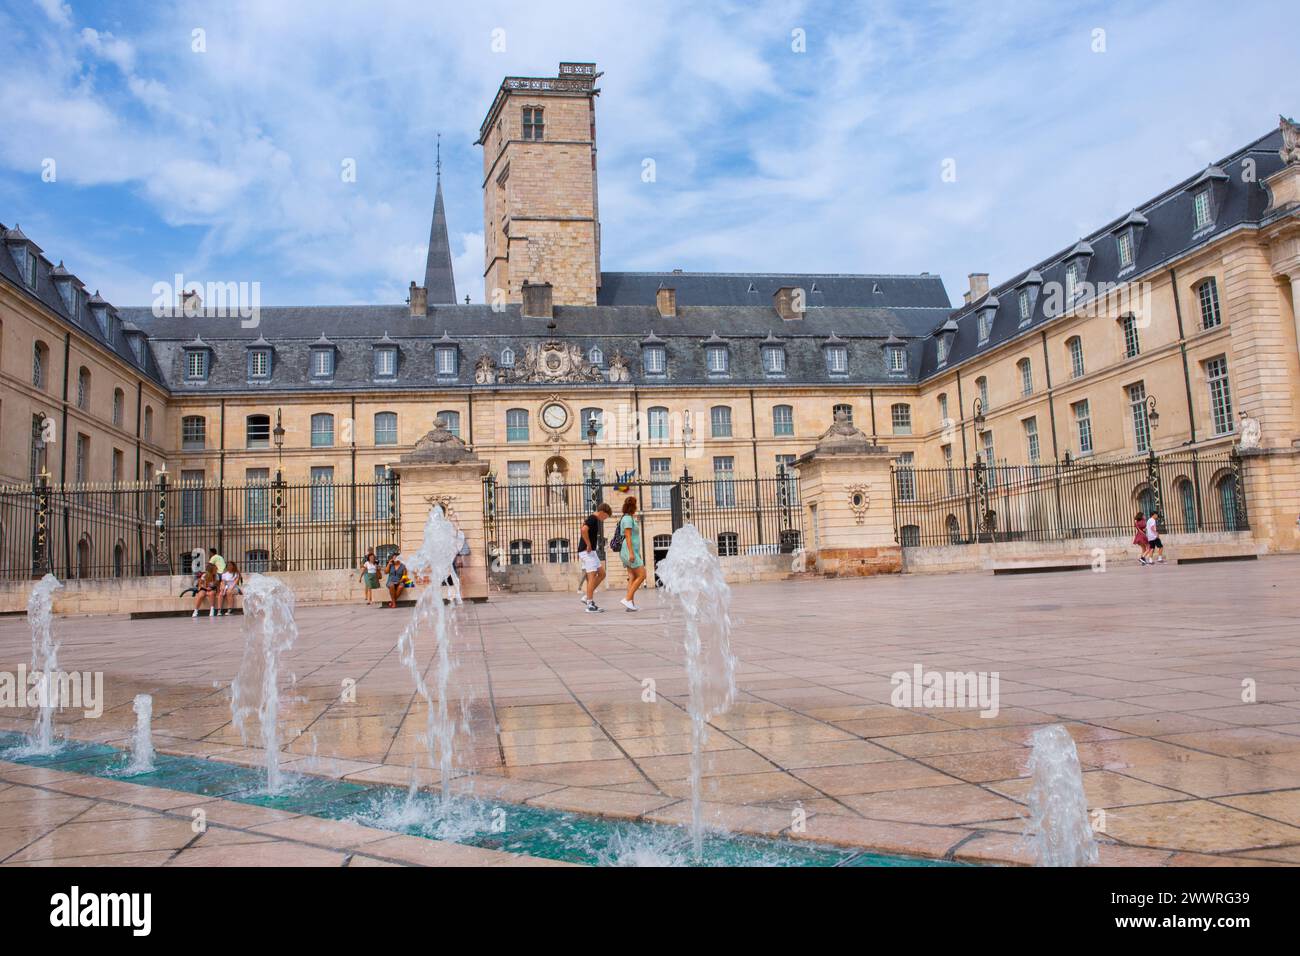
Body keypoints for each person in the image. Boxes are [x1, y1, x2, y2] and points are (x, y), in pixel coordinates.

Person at [578, 502, 612, 613]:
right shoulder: (593, 518)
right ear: (602, 512)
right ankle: (590, 604)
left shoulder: (594, 519)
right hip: (586, 552)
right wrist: (588, 544)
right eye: (606, 517)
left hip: (591, 552)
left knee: (602, 574)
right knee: (592, 576)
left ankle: (587, 596)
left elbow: (583, 528)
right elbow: (583, 530)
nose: (605, 519)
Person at [616, 496, 645, 612]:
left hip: (631, 551)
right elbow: (628, 536)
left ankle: (630, 605)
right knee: (642, 575)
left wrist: (636, 553)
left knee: (632, 576)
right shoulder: (627, 519)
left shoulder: (629, 518)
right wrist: (632, 554)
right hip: (628, 551)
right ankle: (627, 598)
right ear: (633, 506)